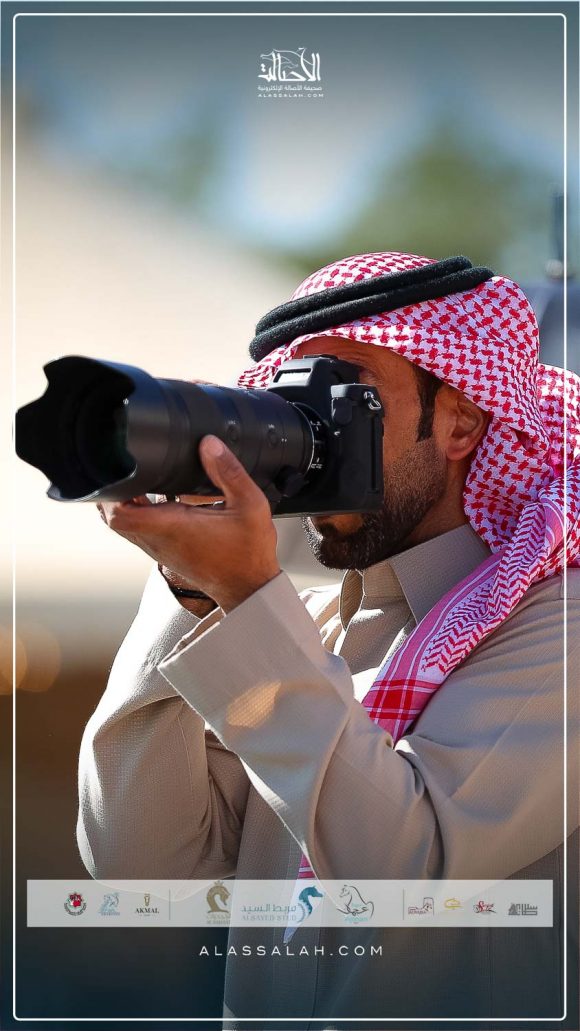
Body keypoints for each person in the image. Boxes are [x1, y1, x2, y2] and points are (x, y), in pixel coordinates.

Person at [77, 251, 579, 1029]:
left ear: (461, 421)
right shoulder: (293, 629)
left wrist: (249, 597)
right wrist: (190, 588)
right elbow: (144, 867)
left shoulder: (557, 626)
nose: (310, 429)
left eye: (344, 391)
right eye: (291, 396)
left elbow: (401, 873)